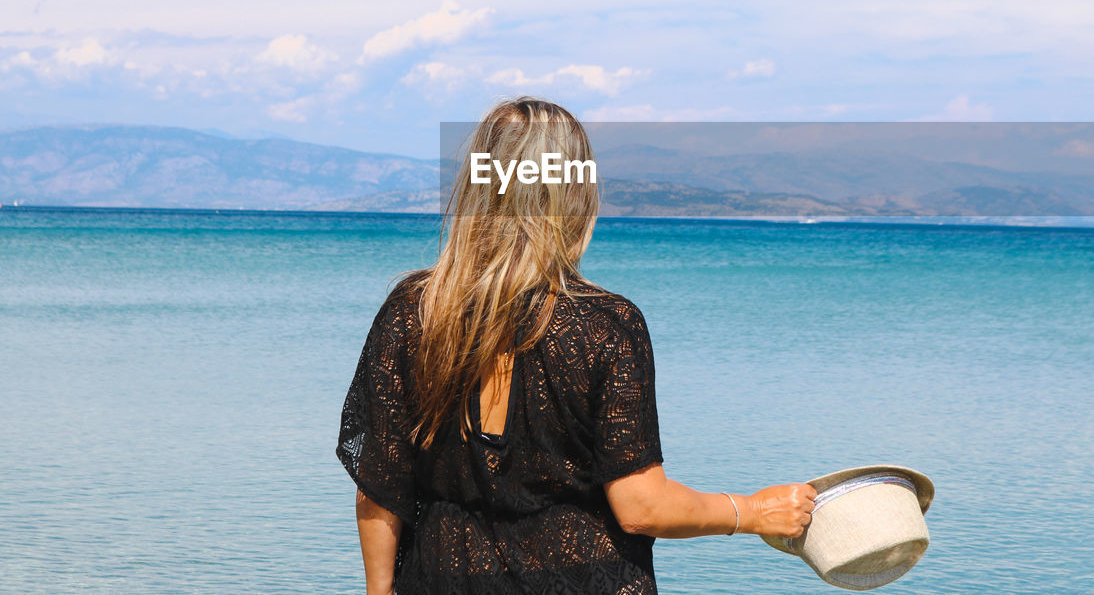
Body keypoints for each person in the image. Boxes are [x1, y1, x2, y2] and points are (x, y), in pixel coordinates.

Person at [336, 96, 816, 594]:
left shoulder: (412, 311)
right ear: (573, 192)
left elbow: (379, 488)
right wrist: (754, 511)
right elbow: (642, 508)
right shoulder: (606, 326)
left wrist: (379, 590)